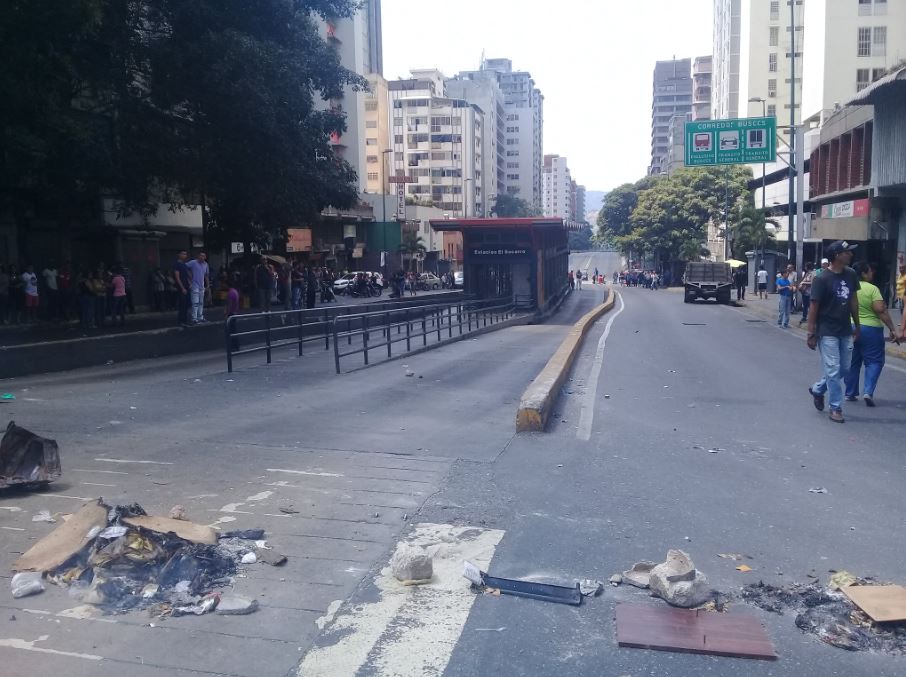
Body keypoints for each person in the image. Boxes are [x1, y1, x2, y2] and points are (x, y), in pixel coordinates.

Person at [807, 241, 860, 423]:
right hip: (827, 330)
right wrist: (811, 333)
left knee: (844, 369)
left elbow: (853, 301)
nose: (850, 255)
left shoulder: (851, 274)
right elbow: (813, 306)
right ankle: (835, 407)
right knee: (833, 369)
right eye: (847, 252)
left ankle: (818, 389)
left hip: (845, 329)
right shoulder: (821, 279)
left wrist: (857, 325)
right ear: (837, 255)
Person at [843, 262, 898, 407]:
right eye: (870, 271)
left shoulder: (848, 287)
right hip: (871, 329)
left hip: (850, 327)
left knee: (852, 362)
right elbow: (880, 309)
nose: (872, 273)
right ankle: (868, 391)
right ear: (863, 273)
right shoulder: (872, 289)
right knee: (874, 361)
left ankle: (850, 392)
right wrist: (892, 328)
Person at [186, 251, 209, 323]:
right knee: (195, 302)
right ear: (198, 256)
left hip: (201, 286)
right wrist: (189, 277)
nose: (202, 257)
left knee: (201, 302)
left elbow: (206, 275)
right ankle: (194, 318)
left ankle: (200, 317)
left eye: (204, 256)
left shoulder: (205, 264)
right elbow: (184, 267)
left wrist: (207, 284)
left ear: (205, 257)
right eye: (201, 256)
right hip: (194, 285)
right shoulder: (193, 262)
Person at [173, 250, 191, 325]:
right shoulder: (177, 264)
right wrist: (182, 288)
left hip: (187, 287)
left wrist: (190, 283)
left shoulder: (184, 264)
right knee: (182, 305)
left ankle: (185, 320)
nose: (185, 255)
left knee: (187, 304)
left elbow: (187, 276)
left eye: (186, 254)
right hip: (181, 288)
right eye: (183, 254)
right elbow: (177, 277)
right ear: (179, 255)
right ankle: (181, 321)